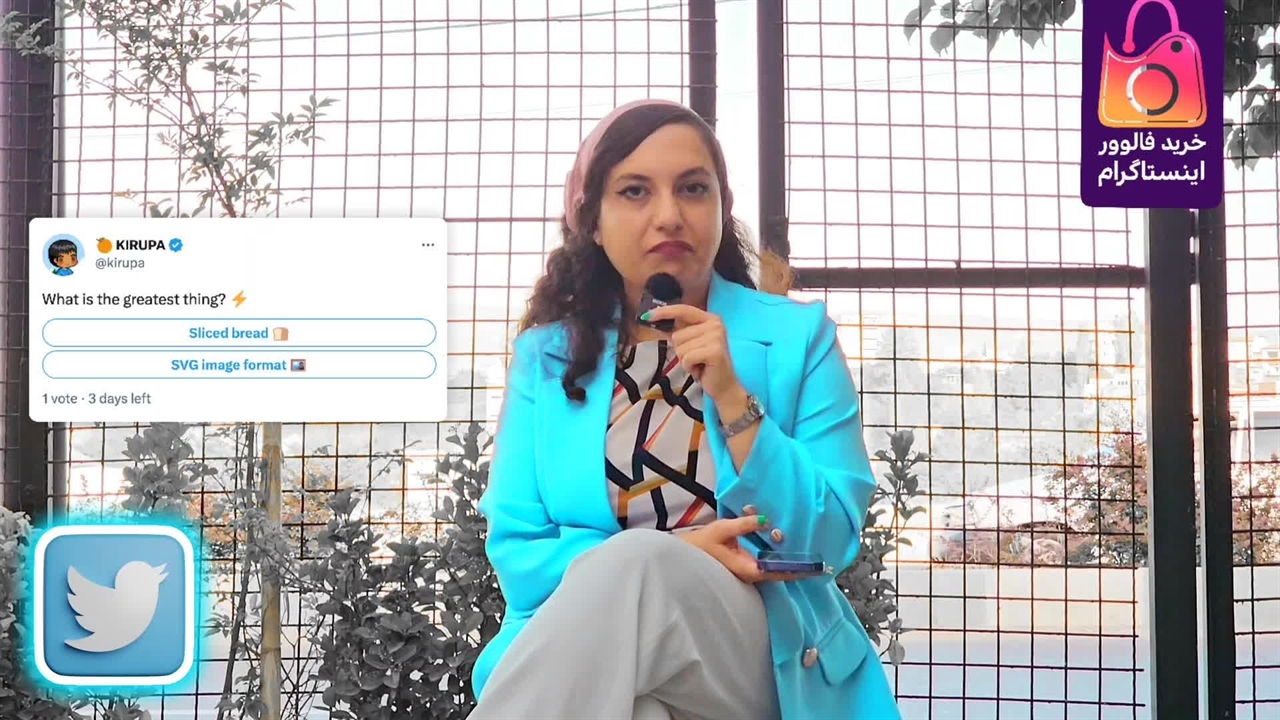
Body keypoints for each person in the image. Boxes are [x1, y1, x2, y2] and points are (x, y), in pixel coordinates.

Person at [467, 99, 901, 720]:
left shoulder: (797, 339)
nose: (669, 215)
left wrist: (733, 398)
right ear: (593, 220)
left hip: (760, 653)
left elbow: (831, 537)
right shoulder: (546, 359)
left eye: (693, 189)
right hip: (589, 652)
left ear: (722, 207)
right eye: (635, 191)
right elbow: (519, 552)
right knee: (639, 702)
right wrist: (684, 550)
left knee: (638, 564)